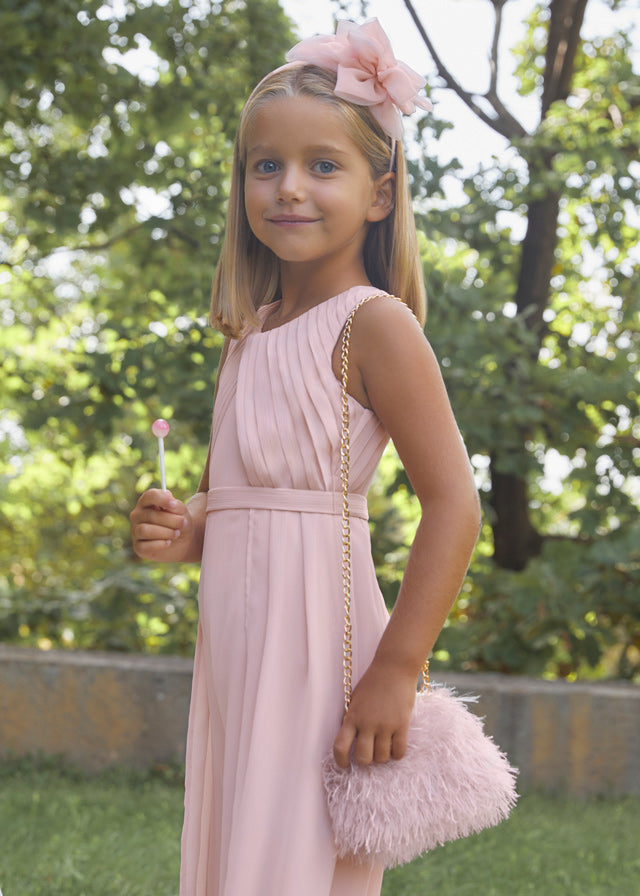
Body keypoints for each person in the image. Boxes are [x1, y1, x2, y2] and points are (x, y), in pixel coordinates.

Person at [130, 18, 481, 896]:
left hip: (320, 649)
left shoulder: (374, 324)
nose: (289, 188)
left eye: (324, 165)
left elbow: (454, 504)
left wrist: (398, 669)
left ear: (379, 193)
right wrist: (184, 526)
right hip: (239, 649)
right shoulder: (249, 337)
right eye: (266, 165)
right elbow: (239, 502)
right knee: (236, 834)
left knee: (294, 859)